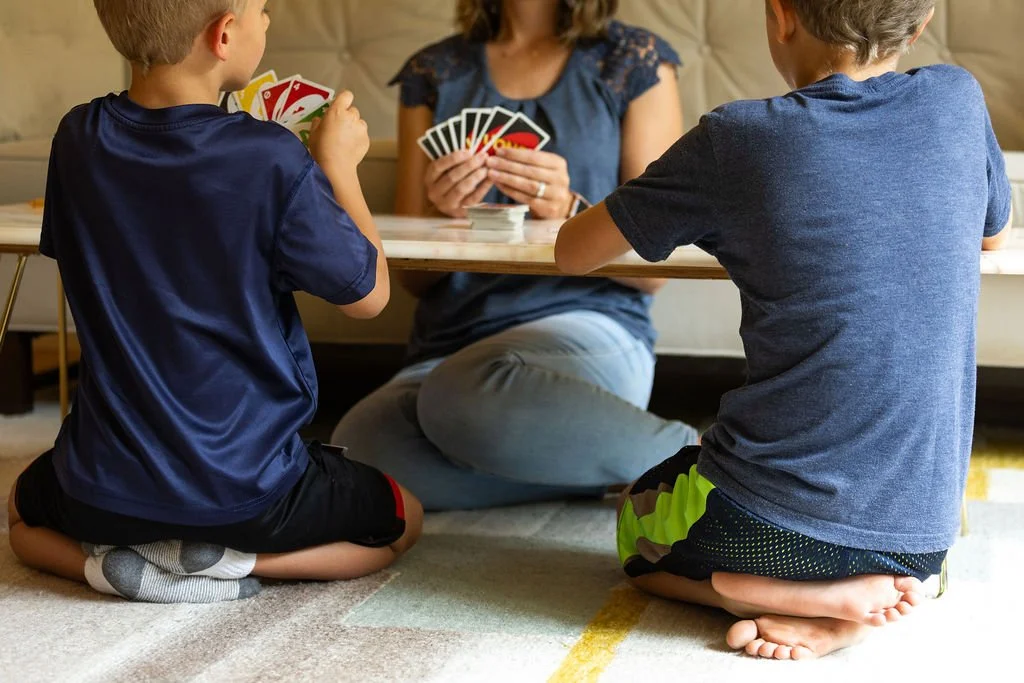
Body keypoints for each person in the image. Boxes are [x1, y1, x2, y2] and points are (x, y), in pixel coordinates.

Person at [555, 0, 1013, 661]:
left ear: (781, 15)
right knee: (899, 554)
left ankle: (768, 590)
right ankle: (854, 604)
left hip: (762, 525)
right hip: (923, 542)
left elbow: (574, 251)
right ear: (920, 23)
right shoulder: (957, 99)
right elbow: (993, 235)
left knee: (636, 523)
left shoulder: (736, 138)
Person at [7, 0, 422, 604]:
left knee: (19, 521)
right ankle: (236, 564)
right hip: (251, 494)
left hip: (100, 491)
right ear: (224, 34)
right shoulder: (272, 156)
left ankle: (107, 567)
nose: (269, 21)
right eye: (263, 10)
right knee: (403, 522)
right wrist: (338, 167)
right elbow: (369, 296)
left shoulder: (77, 137)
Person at [332, 0, 699, 511]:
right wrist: (441, 218)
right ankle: (605, 468)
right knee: (357, 451)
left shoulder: (634, 61)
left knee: (456, 396)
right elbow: (412, 280)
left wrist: (571, 213)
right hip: (452, 342)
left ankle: (698, 459)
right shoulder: (432, 70)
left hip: (584, 328)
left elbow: (653, 270)